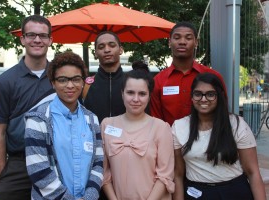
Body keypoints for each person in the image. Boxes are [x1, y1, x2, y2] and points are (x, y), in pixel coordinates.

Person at [0, 15, 55, 200]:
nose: (37, 40)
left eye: (42, 35)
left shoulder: (60, 78)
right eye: (31, 34)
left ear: (50, 39)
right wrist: (4, 173)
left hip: (55, 162)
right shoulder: (5, 81)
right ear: (23, 39)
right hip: (19, 163)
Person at [172, 72, 266, 200]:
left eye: (210, 94)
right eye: (198, 94)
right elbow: (178, 174)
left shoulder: (237, 125)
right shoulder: (179, 127)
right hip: (196, 193)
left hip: (234, 192)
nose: (204, 99)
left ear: (219, 96)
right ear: (192, 97)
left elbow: (253, 172)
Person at [25, 51, 103, 199]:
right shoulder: (38, 119)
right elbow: (38, 170)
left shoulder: (92, 120)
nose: (70, 85)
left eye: (76, 79)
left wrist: (89, 196)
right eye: (62, 80)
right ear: (53, 83)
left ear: (83, 82)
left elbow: (98, 163)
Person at [101, 69, 175, 200]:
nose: (136, 99)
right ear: (122, 94)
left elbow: (165, 175)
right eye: (130, 93)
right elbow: (104, 172)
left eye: (142, 94)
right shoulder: (107, 125)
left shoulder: (161, 128)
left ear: (149, 96)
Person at [150, 21, 225, 126]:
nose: (182, 42)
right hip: (171, 140)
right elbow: (156, 121)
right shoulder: (158, 81)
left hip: (209, 140)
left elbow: (222, 113)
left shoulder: (213, 77)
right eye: (177, 38)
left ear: (196, 42)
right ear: (169, 42)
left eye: (188, 38)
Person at [82, 31, 126, 123]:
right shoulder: (85, 86)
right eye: (101, 47)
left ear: (121, 49)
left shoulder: (132, 84)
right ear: (96, 53)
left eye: (112, 45)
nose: (107, 50)